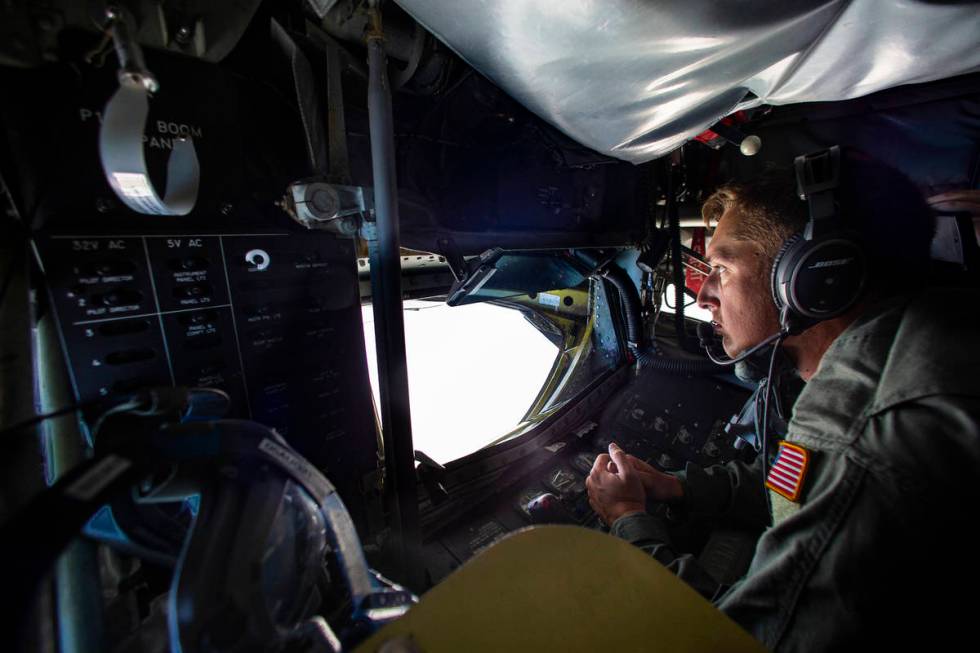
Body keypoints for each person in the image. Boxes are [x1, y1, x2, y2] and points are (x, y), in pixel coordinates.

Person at [585, 151, 980, 651]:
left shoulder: (860, 428)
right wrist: (679, 488)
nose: (703, 294)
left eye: (722, 269)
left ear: (815, 275)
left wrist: (628, 522)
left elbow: (741, 640)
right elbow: (801, 481)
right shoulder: (919, 331)